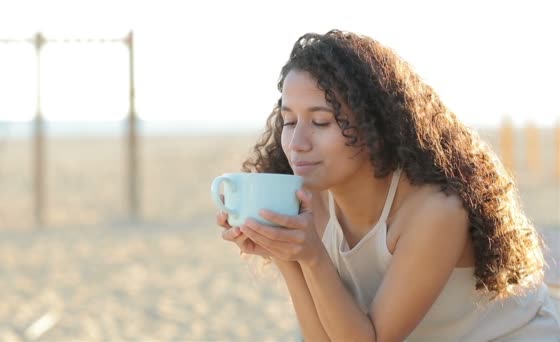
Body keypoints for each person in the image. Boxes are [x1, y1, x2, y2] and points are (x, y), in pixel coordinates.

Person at [216, 30, 560, 341]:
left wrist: (312, 256)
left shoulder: (435, 210)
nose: (296, 142)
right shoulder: (309, 198)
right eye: (289, 121)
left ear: (373, 125)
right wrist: (286, 254)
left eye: (321, 121)